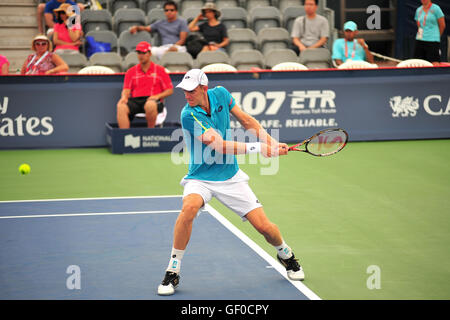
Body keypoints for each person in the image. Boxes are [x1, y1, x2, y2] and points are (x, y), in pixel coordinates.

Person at [157, 69, 305, 296]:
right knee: (189, 208)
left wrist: (272, 142)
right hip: (201, 178)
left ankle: (286, 254)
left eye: (192, 91)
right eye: (184, 91)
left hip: (231, 178)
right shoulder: (189, 114)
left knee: (265, 228)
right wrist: (260, 148)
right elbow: (220, 146)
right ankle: (173, 269)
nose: (187, 95)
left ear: (204, 89)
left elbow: (246, 121)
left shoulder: (222, 95)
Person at [116, 41, 173, 129]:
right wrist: (124, 97)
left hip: (153, 100)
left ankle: (150, 133)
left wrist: (157, 96)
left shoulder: (160, 70)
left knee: (150, 105)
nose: (141, 55)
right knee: (121, 106)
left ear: (149, 54)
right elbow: (126, 89)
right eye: (139, 53)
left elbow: (169, 90)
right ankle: (124, 136)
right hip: (135, 101)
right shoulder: (131, 71)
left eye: (143, 53)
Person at [414, 0, 446, 65]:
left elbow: (442, 25)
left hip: (433, 40)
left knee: (434, 62)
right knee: (418, 62)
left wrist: (436, 36)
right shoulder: (418, 10)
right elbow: (418, 24)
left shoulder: (436, 8)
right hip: (420, 39)